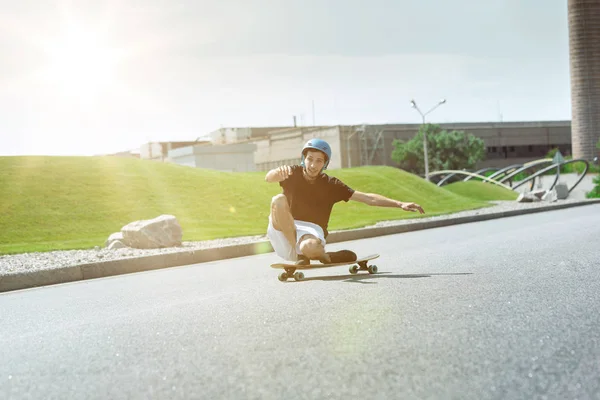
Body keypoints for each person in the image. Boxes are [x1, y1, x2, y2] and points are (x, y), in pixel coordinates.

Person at [264, 138, 425, 265]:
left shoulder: (332, 185)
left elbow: (368, 198)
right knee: (278, 199)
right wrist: (275, 173)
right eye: (310, 159)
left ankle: (323, 256)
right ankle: (301, 254)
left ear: (325, 163)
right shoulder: (292, 173)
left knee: (309, 247)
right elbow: (269, 177)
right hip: (285, 228)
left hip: (310, 233)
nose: (313, 165)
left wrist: (400, 204)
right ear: (303, 159)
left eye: (319, 161)